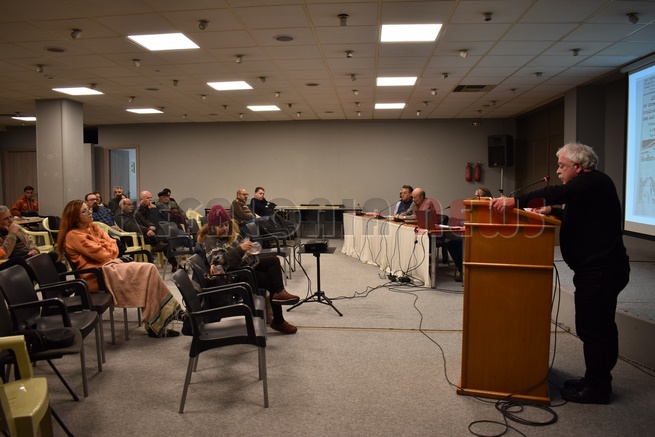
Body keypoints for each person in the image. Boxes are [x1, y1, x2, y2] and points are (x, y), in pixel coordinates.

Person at [491, 142, 630, 404]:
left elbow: (555, 192)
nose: (558, 171)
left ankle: (599, 388)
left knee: (595, 329)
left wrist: (516, 201)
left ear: (578, 166)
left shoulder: (593, 181)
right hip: (595, 270)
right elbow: (583, 218)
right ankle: (594, 379)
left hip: (602, 271)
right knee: (593, 326)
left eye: (561, 166)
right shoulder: (590, 187)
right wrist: (551, 212)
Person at [57, 200, 182, 338]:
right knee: (148, 270)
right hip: (96, 276)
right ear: (75, 217)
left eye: (89, 209)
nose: (89, 212)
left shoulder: (94, 228)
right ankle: (165, 317)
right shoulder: (73, 235)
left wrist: (106, 247)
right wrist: (107, 247)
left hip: (110, 267)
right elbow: (103, 254)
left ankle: (158, 322)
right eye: (84, 211)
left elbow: (114, 246)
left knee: (149, 271)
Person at [198, 205, 299, 335]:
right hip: (234, 276)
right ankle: (279, 320)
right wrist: (240, 249)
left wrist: (249, 251)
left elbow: (241, 253)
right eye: (220, 226)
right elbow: (220, 264)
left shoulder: (229, 235)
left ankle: (280, 292)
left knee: (273, 261)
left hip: (245, 266)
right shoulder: (210, 240)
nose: (225, 228)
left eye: (226, 224)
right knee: (270, 281)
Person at [446, 187, 492, 282]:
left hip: (484, 238)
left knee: (462, 246)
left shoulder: (489, 208)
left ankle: (466, 271)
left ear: (485, 197)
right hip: (471, 235)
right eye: (474, 196)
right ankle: (462, 270)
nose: (474, 198)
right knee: (451, 243)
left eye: (477, 196)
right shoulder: (473, 207)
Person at [135, 191, 180, 271]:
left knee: (165, 238)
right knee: (165, 241)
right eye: (147, 198)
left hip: (157, 231)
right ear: (141, 199)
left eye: (151, 198)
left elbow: (161, 219)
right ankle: (175, 264)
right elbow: (146, 222)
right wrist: (152, 212)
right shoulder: (138, 211)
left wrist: (154, 210)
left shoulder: (154, 207)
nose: (150, 200)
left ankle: (175, 264)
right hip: (146, 234)